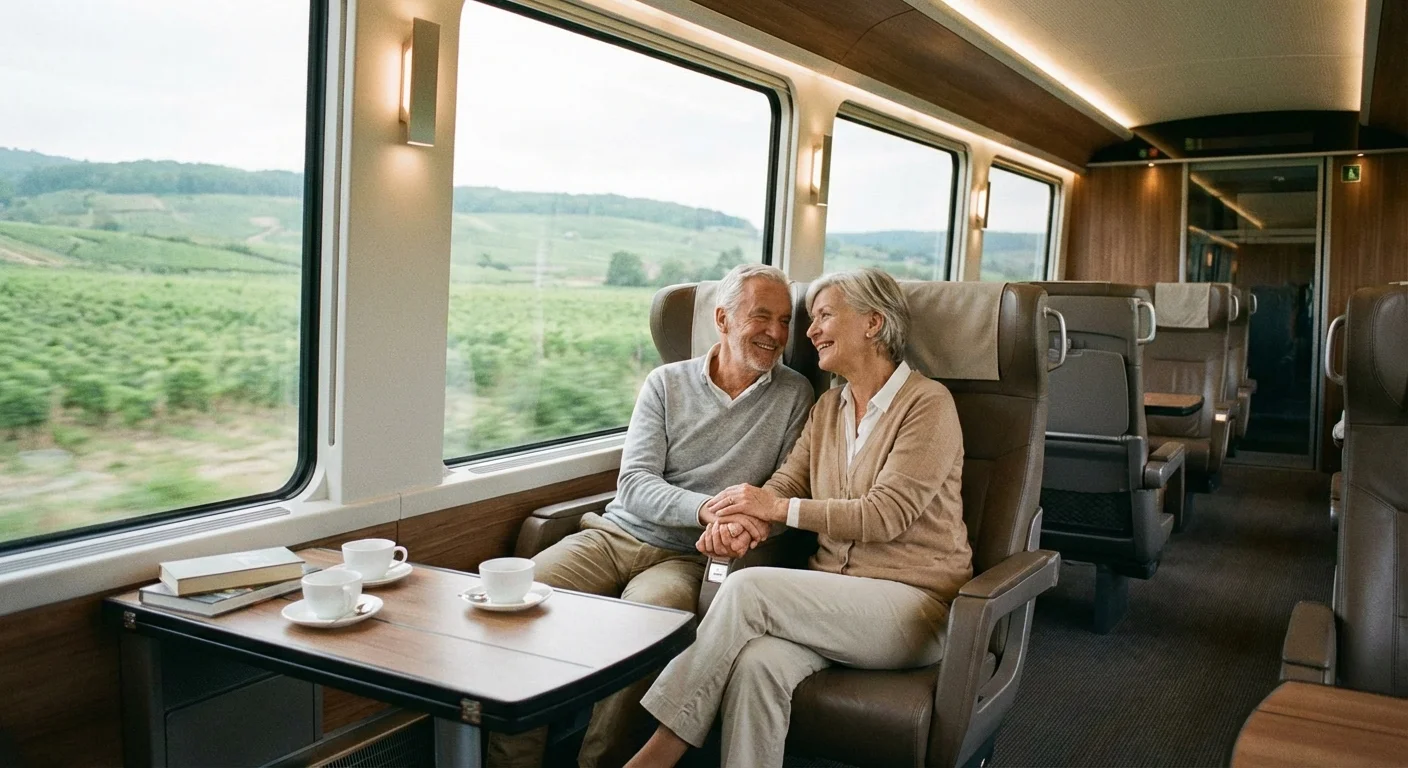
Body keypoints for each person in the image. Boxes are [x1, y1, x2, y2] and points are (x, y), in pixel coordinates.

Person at [625, 268, 973, 768]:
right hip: (832, 600)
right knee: (756, 665)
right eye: (808, 320)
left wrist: (774, 508)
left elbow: (886, 515)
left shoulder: (928, 404)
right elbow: (788, 483)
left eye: (825, 316)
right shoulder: (830, 407)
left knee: (748, 591)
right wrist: (740, 522)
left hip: (914, 606)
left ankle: (657, 754)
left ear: (874, 323)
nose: (808, 333)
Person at [488, 263, 814, 768]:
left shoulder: (795, 395)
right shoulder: (665, 383)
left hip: (688, 559)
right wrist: (707, 508)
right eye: (762, 317)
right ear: (723, 319)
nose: (775, 333)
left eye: (785, 321)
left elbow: (779, 492)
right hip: (613, 534)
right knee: (518, 606)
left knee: (646, 632)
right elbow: (634, 484)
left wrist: (742, 525)